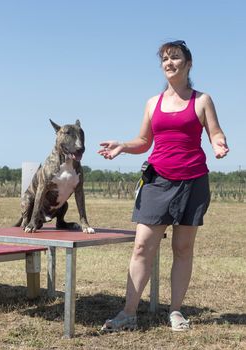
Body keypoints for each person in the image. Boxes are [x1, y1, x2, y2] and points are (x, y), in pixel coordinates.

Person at [98, 40, 229, 332]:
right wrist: (122, 144)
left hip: (193, 181)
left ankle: (176, 311)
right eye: (165, 59)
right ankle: (128, 313)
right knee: (142, 245)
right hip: (157, 181)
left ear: (189, 63)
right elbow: (144, 142)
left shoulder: (202, 99)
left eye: (175, 57)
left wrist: (219, 145)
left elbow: (215, 132)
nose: (169, 62)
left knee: (183, 248)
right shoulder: (152, 103)